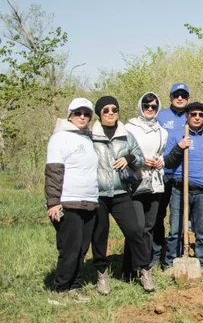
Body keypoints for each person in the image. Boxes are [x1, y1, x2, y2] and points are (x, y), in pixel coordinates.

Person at [91, 96, 147, 294]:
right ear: (99, 113)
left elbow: (140, 158)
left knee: (134, 230)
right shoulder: (91, 136)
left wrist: (128, 158)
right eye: (105, 110)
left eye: (114, 109)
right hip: (98, 194)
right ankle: (102, 273)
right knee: (99, 235)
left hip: (121, 192)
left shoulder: (126, 135)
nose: (111, 113)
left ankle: (144, 269)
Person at [45, 98, 99, 304]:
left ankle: (74, 286)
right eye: (78, 113)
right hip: (68, 201)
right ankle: (61, 289)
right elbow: (53, 172)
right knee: (69, 248)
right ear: (70, 115)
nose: (82, 117)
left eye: (86, 113)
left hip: (89, 200)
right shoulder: (59, 138)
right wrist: (53, 201)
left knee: (82, 248)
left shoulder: (87, 137)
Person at [163, 101, 203, 276]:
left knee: (202, 231)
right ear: (187, 116)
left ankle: (202, 264)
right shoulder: (176, 135)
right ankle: (171, 263)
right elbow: (168, 162)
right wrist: (180, 146)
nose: (197, 117)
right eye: (193, 114)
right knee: (175, 229)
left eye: (201, 115)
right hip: (180, 189)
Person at [124, 92, 169, 291]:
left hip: (155, 184)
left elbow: (163, 154)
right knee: (136, 227)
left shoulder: (162, 131)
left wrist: (161, 162)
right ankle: (129, 268)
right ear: (140, 106)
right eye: (146, 105)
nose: (149, 109)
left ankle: (145, 268)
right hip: (136, 183)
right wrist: (141, 161)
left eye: (153, 106)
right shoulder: (129, 128)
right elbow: (123, 154)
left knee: (149, 227)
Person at [153, 82, 190, 268]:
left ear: (188, 98)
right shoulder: (160, 116)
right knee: (158, 215)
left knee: (179, 218)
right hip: (161, 174)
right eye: (177, 95)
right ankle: (156, 255)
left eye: (183, 95)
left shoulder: (192, 116)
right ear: (171, 97)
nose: (180, 98)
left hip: (181, 175)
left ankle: (175, 255)